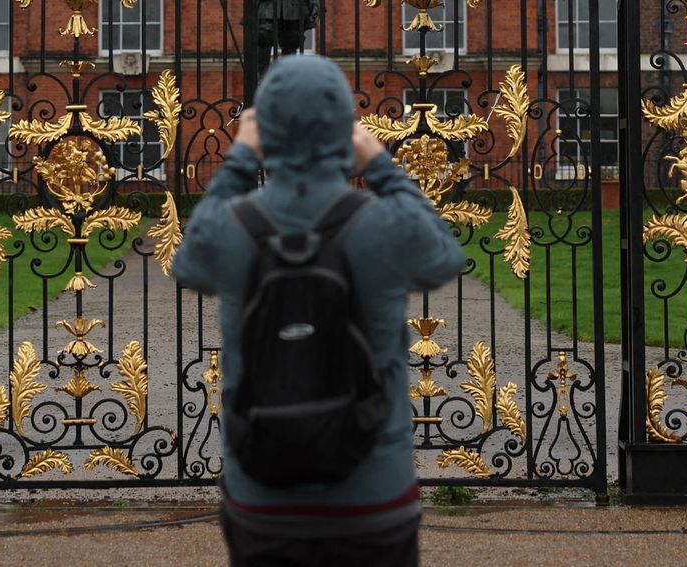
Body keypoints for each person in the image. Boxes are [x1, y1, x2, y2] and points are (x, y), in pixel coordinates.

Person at [172, 54, 466, 566]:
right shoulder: (382, 222)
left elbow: (188, 264)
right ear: (344, 131)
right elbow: (444, 258)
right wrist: (381, 165)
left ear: (264, 130)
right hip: (372, 491)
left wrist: (241, 158)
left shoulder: (235, 224)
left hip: (263, 495)